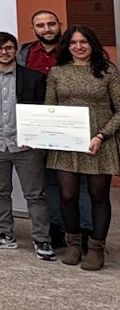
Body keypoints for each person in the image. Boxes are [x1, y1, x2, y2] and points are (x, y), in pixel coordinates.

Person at [0, 31, 53, 258]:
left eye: (8, 48)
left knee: (35, 195)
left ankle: (42, 240)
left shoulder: (34, 77)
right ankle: (5, 234)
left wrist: (35, 139)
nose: (4, 52)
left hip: (26, 146)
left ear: (16, 50)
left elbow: (41, 112)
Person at [44, 26, 119, 270]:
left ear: (92, 44)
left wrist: (102, 135)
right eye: (74, 42)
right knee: (67, 195)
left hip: (99, 142)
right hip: (66, 143)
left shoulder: (108, 71)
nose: (79, 46)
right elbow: (49, 108)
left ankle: (96, 248)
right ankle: (73, 244)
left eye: (84, 41)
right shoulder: (57, 72)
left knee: (98, 196)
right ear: (67, 46)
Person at [23, 10, 90, 247]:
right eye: (40, 25)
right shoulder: (26, 53)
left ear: (59, 25)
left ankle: (83, 231)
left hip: (71, 126)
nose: (47, 29)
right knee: (47, 180)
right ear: (34, 29)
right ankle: (57, 228)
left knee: (77, 183)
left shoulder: (74, 49)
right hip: (37, 126)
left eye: (51, 24)